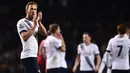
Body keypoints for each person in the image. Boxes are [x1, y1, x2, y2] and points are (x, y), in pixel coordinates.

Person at [16, 1, 47, 73]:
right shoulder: (22, 22)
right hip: (28, 55)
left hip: (34, 55)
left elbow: (44, 33)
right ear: (26, 10)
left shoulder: (35, 22)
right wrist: (34, 26)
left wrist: (39, 22)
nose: (34, 11)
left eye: (35, 9)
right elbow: (24, 37)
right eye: (31, 9)